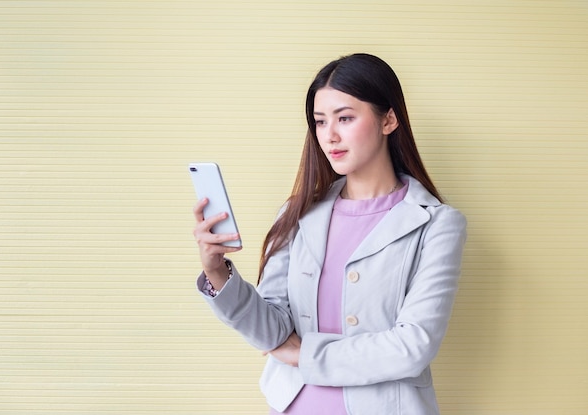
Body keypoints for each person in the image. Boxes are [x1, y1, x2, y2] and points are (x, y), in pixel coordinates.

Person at [192, 53, 467, 415]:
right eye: (320, 122)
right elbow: (272, 331)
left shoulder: (438, 224)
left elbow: (413, 346)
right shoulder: (297, 213)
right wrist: (217, 271)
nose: (330, 135)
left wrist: (304, 353)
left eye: (346, 118)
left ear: (389, 119)